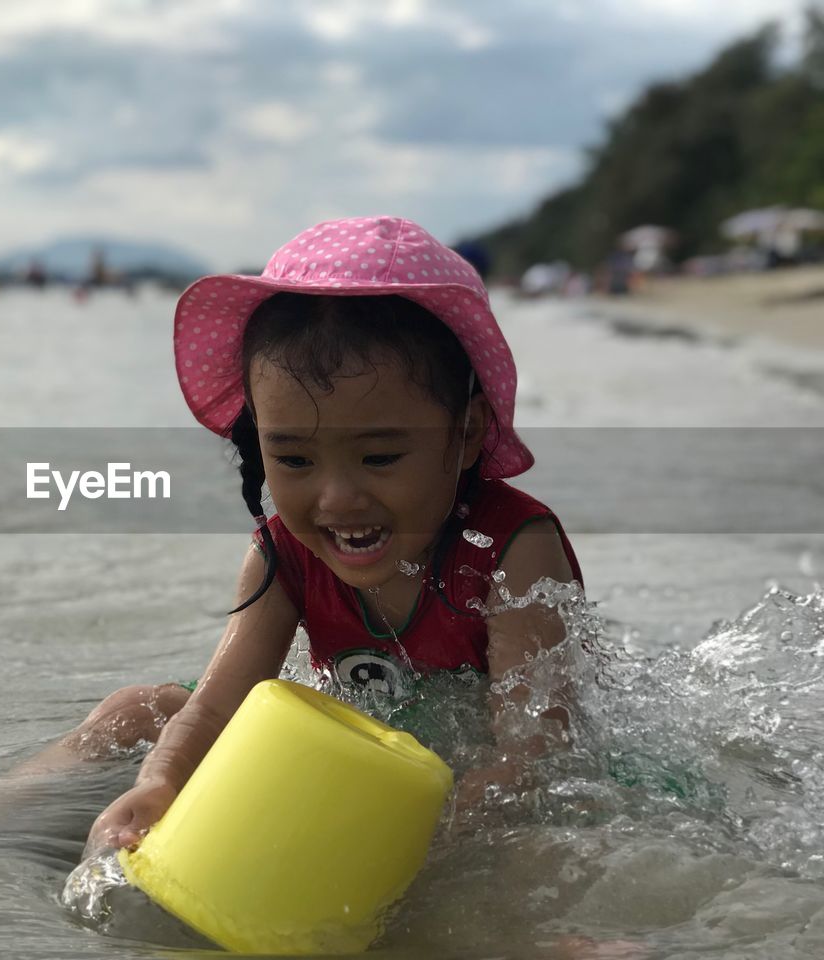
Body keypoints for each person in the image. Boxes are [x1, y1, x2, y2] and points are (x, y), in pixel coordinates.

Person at [73, 216, 584, 854]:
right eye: (293, 461)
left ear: (470, 431)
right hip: (353, 746)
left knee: (521, 821)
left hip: (459, 776)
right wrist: (159, 784)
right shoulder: (282, 553)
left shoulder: (511, 548)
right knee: (136, 710)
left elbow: (538, 756)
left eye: (379, 458)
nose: (336, 500)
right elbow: (214, 708)